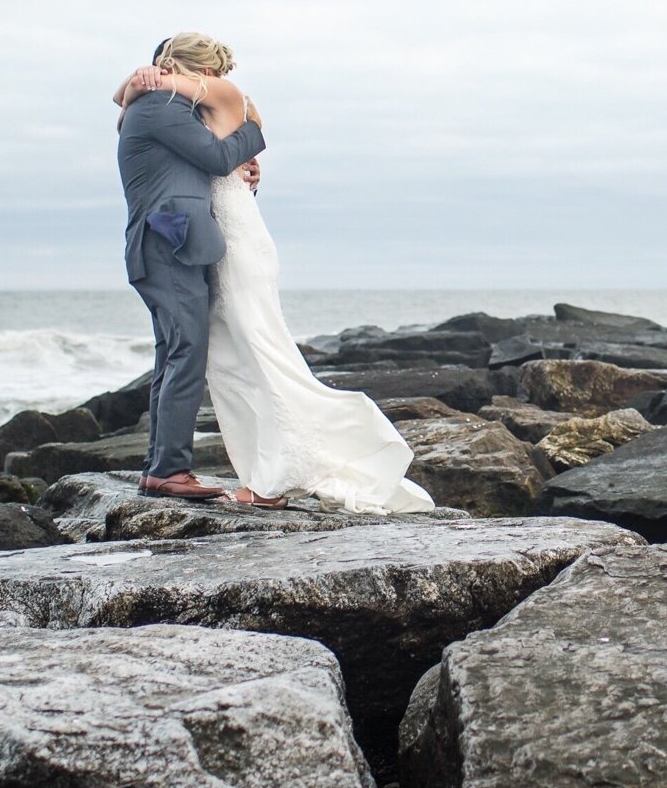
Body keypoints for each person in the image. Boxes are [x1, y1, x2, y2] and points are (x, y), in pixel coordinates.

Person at [113, 35, 433, 513]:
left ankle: (163, 468)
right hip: (166, 244)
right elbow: (216, 157)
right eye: (210, 74)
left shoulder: (175, 106)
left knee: (181, 351)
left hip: (183, 244)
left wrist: (243, 170)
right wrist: (254, 130)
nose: (215, 83)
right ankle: (167, 471)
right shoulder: (160, 105)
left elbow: (210, 167)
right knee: (188, 350)